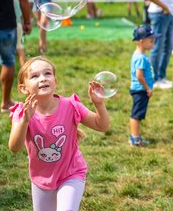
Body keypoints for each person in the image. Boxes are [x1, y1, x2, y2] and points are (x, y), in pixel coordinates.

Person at [8, 57, 110, 210]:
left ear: (55, 81)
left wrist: (99, 104)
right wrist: (25, 121)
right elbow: (14, 147)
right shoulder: (22, 112)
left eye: (47, 74)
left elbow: (101, 126)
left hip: (71, 173)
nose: (43, 79)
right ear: (23, 88)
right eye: (35, 76)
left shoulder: (71, 106)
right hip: (41, 179)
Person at [129, 25, 155, 147]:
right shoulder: (140, 57)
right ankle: (135, 139)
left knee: (138, 114)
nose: (153, 43)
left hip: (140, 89)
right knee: (136, 115)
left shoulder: (139, 55)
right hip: (140, 90)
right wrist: (147, 88)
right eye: (151, 41)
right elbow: (139, 76)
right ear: (141, 41)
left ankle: (135, 137)